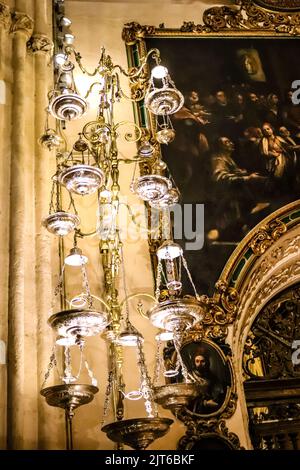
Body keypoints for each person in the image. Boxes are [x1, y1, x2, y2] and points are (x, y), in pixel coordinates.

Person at [187, 346, 226, 414]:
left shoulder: (212, 377)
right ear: (194, 362)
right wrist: (205, 403)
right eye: (197, 361)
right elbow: (187, 398)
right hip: (195, 410)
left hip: (212, 410)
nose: (200, 364)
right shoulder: (189, 377)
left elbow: (219, 393)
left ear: (206, 362)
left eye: (202, 361)